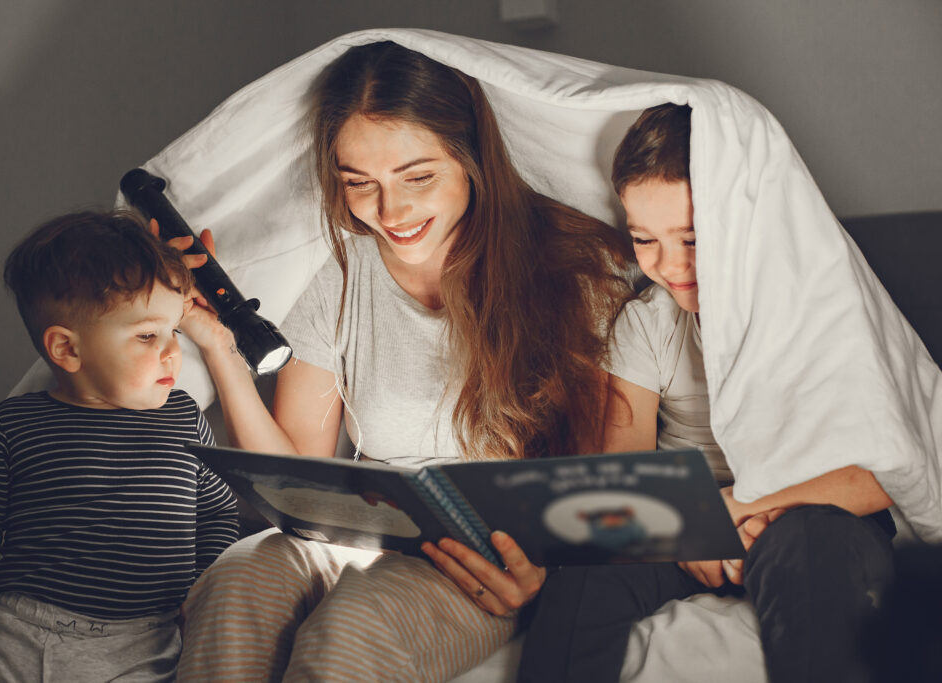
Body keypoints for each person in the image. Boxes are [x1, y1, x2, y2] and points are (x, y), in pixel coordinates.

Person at [173, 41, 632, 681]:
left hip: (485, 551)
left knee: (355, 625)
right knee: (238, 578)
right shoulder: (339, 268)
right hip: (366, 529)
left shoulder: (576, 267)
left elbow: (607, 473)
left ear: (471, 160)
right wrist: (218, 346)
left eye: (418, 177)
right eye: (360, 183)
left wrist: (545, 570)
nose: (390, 213)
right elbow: (301, 478)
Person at [516, 104, 897, 683]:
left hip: (816, 510)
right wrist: (688, 526)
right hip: (684, 516)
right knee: (589, 566)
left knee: (810, 545)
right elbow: (622, 475)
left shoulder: (821, 308)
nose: (670, 266)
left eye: (692, 238)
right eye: (645, 239)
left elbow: (884, 474)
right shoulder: (648, 322)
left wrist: (737, 510)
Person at [0, 211, 239, 683]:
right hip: (20, 636)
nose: (172, 352)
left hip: (145, 644)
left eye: (174, 331)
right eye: (148, 335)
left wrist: (202, 591)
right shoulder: (13, 427)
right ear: (67, 349)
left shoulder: (183, 420)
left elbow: (217, 513)